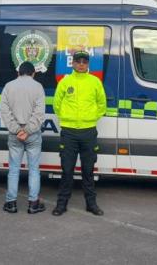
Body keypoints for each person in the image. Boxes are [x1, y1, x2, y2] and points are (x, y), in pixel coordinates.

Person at [52, 51, 107, 216]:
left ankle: (91, 204)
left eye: (84, 61)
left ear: (88, 64)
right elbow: (57, 104)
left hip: (88, 132)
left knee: (88, 170)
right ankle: (61, 205)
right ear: (73, 63)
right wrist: (67, 119)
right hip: (68, 132)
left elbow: (101, 104)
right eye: (78, 61)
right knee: (67, 170)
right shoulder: (65, 81)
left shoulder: (95, 82)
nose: (81, 64)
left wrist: (90, 119)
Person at [0, 61, 46, 214]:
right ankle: (33, 204)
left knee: (14, 169)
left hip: (14, 134)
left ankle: (11, 203)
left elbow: (5, 112)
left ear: (18, 72)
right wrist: (27, 130)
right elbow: (39, 113)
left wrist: (16, 130)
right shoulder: (38, 87)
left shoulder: (8, 86)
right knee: (34, 169)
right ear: (33, 73)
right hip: (32, 134)